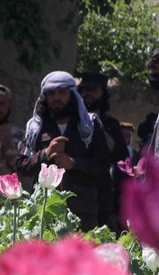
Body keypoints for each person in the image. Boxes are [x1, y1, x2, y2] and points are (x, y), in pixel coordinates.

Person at [17, 71, 111, 231]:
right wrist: (45, 153)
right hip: (45, 210)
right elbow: (22, 165)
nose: (56, 98)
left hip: (82, 211)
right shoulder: (36, 128)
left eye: (62, 92)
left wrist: (74, 163)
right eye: (51, 93)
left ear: (72, 94)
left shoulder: (90, 126)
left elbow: (103, 164)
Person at [77, 72, 128, 230]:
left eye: (94, 90)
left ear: (103, 94)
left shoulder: (111, 124)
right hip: (78, 193)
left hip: (103, 197)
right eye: (84, 90)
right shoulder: (74, 122)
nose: (88, 94)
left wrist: (98, 128)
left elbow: (121, 157)